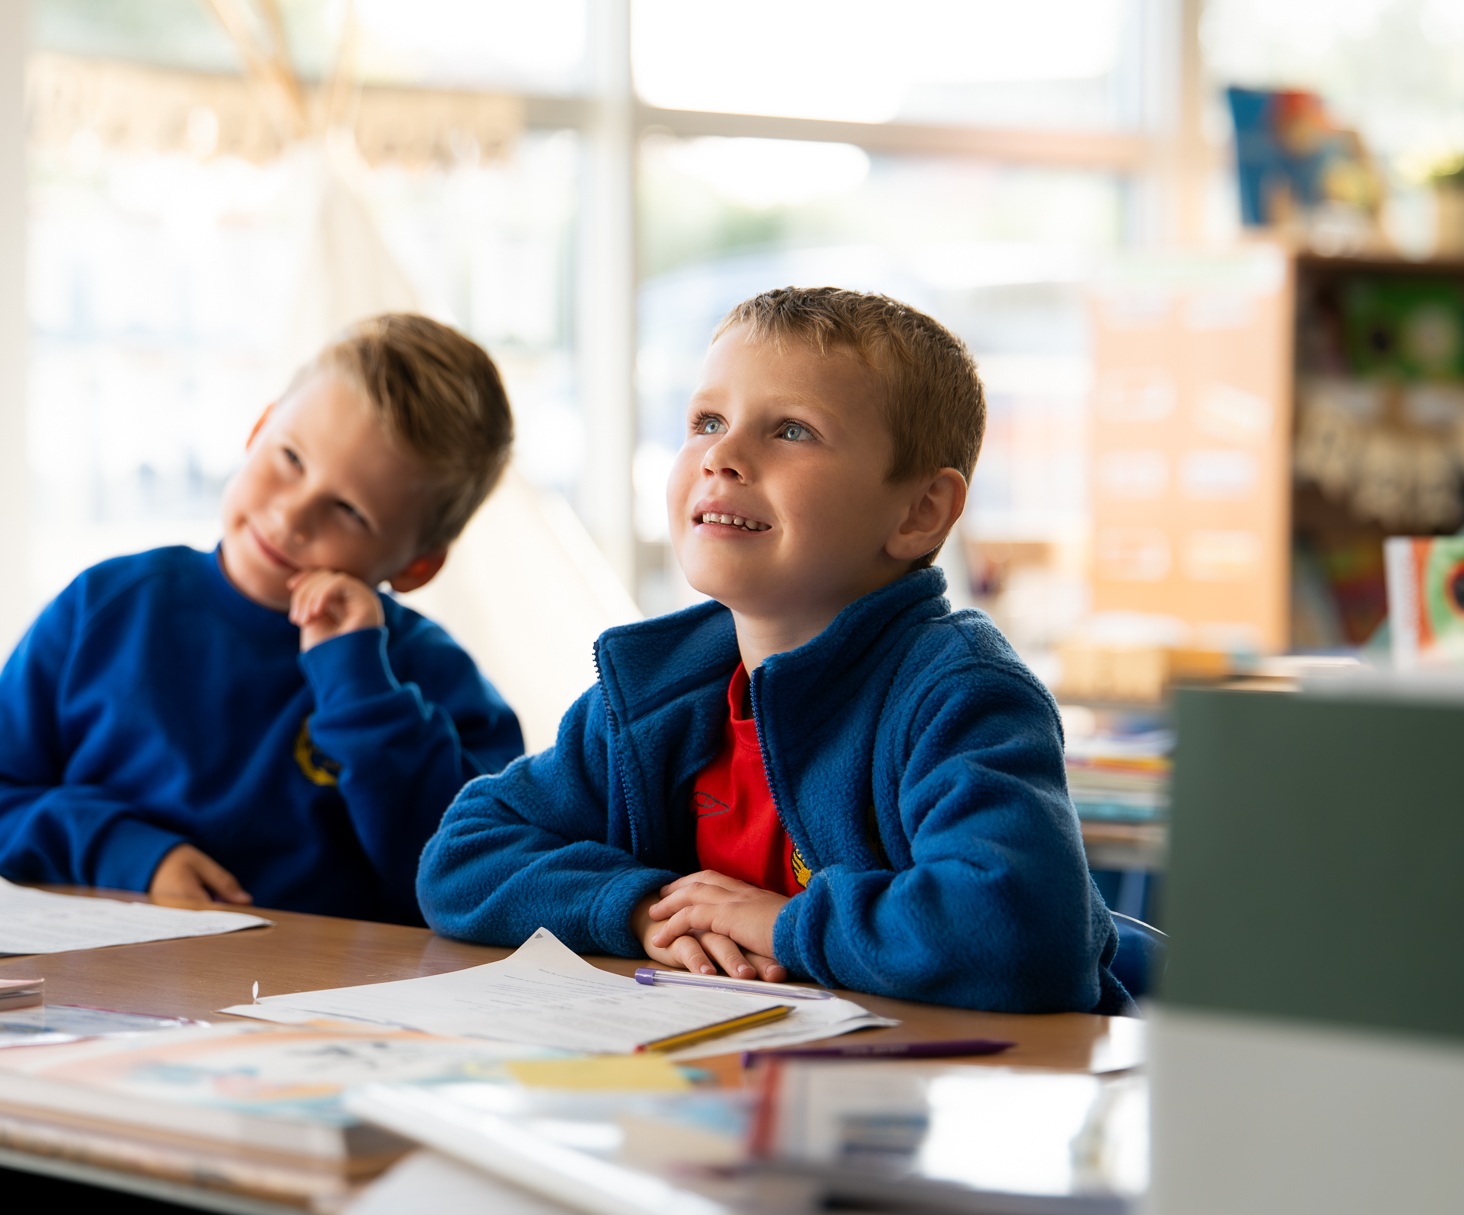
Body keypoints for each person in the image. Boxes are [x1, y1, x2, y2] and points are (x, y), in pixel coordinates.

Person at [417, 287, 1128, 1014]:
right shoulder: (660, 689)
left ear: (919, 512)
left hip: (954, 1097)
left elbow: (1016, 928)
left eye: (791, 430)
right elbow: (462, 855)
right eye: (708, 421)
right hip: (735, 1081)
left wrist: (782, 924)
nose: (722, 454)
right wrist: (644, 907)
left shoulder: (958, 691)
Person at [0, 313, 524, 928]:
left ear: (417, 564)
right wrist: (123, 850)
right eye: (290, 457)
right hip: (111, 997)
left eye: (349, 510)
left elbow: (472, 879)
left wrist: (359, 691)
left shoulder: (436, 680)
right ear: (258, 427)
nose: (291, 517)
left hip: (323, 1011)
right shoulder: (104, 609)